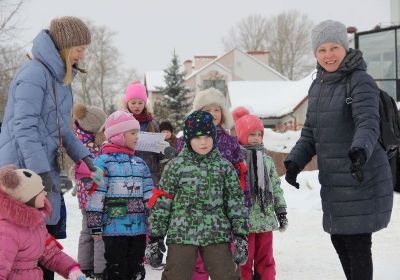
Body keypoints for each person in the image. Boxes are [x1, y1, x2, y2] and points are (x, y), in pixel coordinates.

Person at [284, 20, 393, 280]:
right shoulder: (318, 86)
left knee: (356, 242)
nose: (328, 55)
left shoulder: (360, 81)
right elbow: (310, 132)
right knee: (339, 239)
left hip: (360, 174)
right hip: (334, 179)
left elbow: (368, 124)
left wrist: (359, 150)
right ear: (315, 54)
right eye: (322, 50)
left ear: (345, 48)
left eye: (334, 47)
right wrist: (295, 162)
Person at [0, 16, 95, 280]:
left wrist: (85, 158)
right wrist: (40, 173)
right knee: (22, 250)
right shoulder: (34, 74)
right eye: (80, 49)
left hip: (41, 173)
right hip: (22, 177)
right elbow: (24, 128)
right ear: (65, 47)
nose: (82, 55)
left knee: (43, 245)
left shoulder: (59, 79)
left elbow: (62, 129)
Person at [145, 111, 250, 279]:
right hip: (181, 234)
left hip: (216, 234)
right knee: (175, 275)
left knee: (227, 274)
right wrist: (155, 237)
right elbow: (162, 204)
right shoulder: (175, 167)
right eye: (197, 138)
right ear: (188, 139)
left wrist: (240, 235)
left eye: (208, 137)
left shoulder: (224, 167)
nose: (203, 142)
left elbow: (236, 203)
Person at [85, 110, 155, 280]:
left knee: (136, 269)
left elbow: (149, 195)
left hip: (138, 229)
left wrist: (156, 219)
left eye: (137, 133)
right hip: (114, 230)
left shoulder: (140, 163)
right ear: (118, 135)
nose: (137, 137)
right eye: (132, 133)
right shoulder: (103, 162)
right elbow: (96, 195)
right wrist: (94, 224)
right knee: (116, 268)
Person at [0, 164, 87, 280]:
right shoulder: (6, 230)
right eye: (40, 191)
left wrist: (71, 269)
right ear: (27, 198)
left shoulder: (36, 224)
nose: (45, 194)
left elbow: (50, 254)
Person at [232, 106, 288, 280]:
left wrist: (281, 211)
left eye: (259, 134)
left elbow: (276, 188)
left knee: (266, 260)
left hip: (265, 220)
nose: (256, 139)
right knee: (244, 261)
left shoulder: (267, 161)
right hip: (244, 222)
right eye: (251, 134)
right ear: (241, 135)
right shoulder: (236, 161)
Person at [72, 103, 107, 279]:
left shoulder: (77, 139)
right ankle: (99, 268)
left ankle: (85, 265)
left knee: (87, 230)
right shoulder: (89, 144)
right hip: (94, 194)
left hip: (84, 196)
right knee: (97, 232)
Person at [118, 81, 163, 187]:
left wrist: (164, 148)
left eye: (140, 102)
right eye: (133, 103)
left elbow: (160, 155)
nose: (137, 106)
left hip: (151, 174)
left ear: (145, 103)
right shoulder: (120, 123)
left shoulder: (152, 124)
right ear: (127, 103)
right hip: (128, 173)